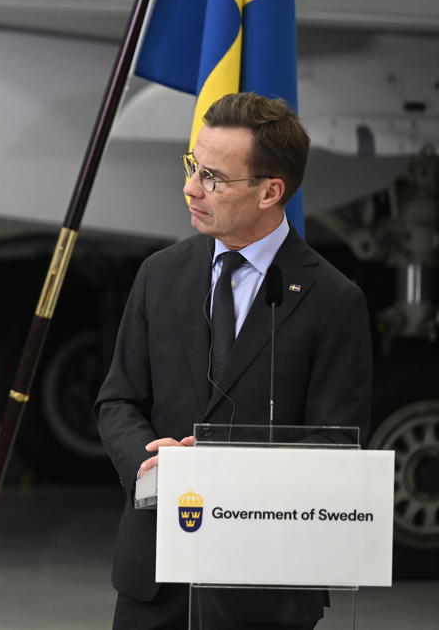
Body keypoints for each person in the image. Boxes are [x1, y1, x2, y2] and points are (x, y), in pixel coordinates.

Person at [94, 92, 371, 630]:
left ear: (270, 191)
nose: (191, 188)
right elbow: (118, 400)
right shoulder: (159, 274)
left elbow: (339, 442)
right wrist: (149, 464)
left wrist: (223, 469)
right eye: (193, 166)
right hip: (155, 575)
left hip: (264, 584)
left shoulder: (334, 300)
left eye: (214, 178)